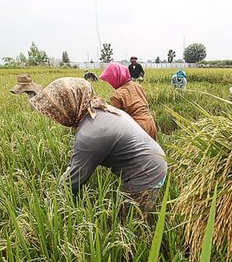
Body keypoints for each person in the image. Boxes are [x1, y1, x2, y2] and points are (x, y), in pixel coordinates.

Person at [10, 76, 167, 218]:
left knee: (128, 222)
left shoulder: (90, 134)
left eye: (57, 110)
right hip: (155, 161)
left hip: (147, 175)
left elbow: (74, 180)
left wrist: (49, 205)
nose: (56, 116)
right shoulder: (102, 109)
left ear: (69, 106)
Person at [100, 62, 158, 140]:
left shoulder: (117, 95)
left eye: (110, 80)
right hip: (150, 123)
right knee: (152, 151)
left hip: (137, 127)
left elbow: (116, 119)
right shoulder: (138, 86)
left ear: (115, 78)